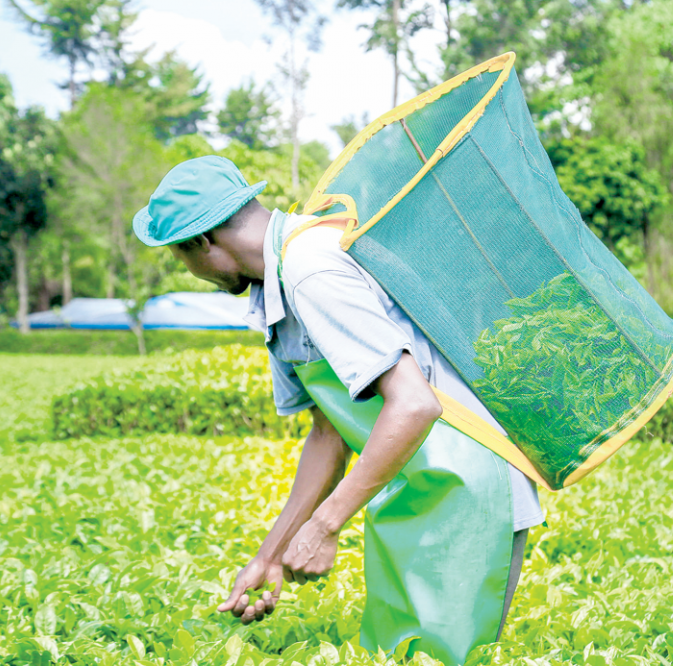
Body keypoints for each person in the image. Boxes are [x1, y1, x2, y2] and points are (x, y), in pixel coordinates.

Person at [132, 155, 543, 665]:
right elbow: (329, 433)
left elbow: (415, 405)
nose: (191, 273)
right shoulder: (276, 288)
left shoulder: (311, 269)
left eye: (180, 258)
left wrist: (325, 527)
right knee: (394, 656)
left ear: (200, 243)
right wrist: (271, 555)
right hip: (412, 494)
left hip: (466, 491)